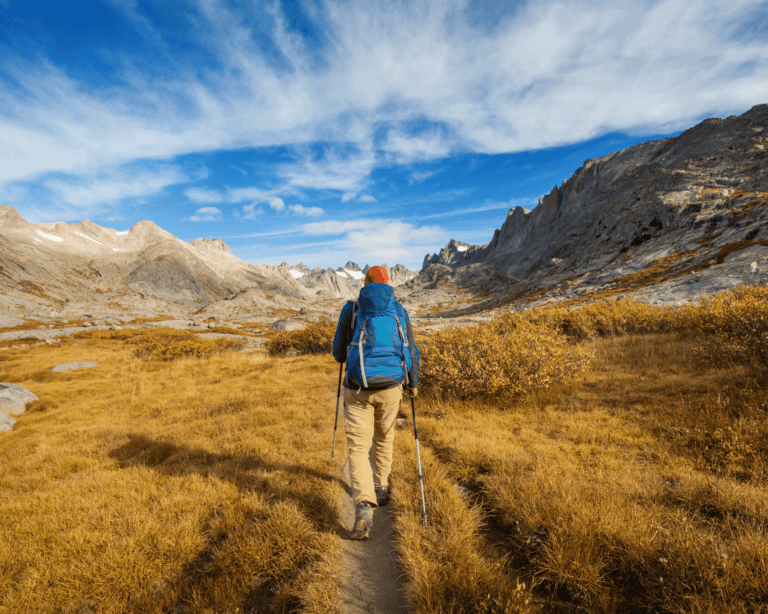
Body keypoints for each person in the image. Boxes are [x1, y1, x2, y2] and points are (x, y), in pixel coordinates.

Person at [332, 265, 419, 540]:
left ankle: (363, 506)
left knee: (358, 447)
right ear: (388, 283)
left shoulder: (352, 309)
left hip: (358, 387)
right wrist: (413, 383)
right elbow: (412, 350)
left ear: (365, 283)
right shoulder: (399, 310)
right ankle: (381, 487)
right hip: (392, 386)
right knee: (384, 437)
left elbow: (338, 353)